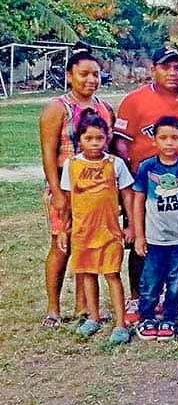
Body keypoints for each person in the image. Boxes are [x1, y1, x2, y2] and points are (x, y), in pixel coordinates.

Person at [113, 46, 178, 325]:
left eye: (177, 67)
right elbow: (121, 141)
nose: (172, 72)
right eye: (166, 67)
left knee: (176, 242)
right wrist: (133, 172)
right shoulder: (135, 100)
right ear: (154, 70)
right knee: (142, 241)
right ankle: (137, 297)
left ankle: (169, 299)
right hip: (146, 183)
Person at [38, 43, 115, 328]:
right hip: (67, 187)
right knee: (62, 244)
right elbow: (48, 154)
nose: (91, 80)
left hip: (96, 192)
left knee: (89, 244)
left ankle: (85, 306)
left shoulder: (105, 109)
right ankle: (53, 309)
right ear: (70, 75)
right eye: (84, 74)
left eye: (95, 74)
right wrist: (58, 193)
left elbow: (112, 152)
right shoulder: (57, 109)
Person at [57, 110, 134, 344]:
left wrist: (131, 226)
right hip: (82, 232)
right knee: (87, 274)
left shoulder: (115, 164)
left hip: (109, 231)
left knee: (112, 275)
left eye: (99, 138)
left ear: (107, 138)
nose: (94, 143)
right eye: (88, 138)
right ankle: (93, 317)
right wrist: (63, 228)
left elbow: (128, 196)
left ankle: (121, 324)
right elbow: (67, 202)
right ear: (79, 139)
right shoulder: (71, 166)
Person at [132, 116, 178, 341]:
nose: (169, 143)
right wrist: (139, 235)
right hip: (154, 239)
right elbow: (138, 200)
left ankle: (169, 318)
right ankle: (146, 317)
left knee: (176, 280)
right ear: (154, 140)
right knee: (151, 280)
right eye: (163, 138)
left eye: (174, 138)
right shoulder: (147, 167)